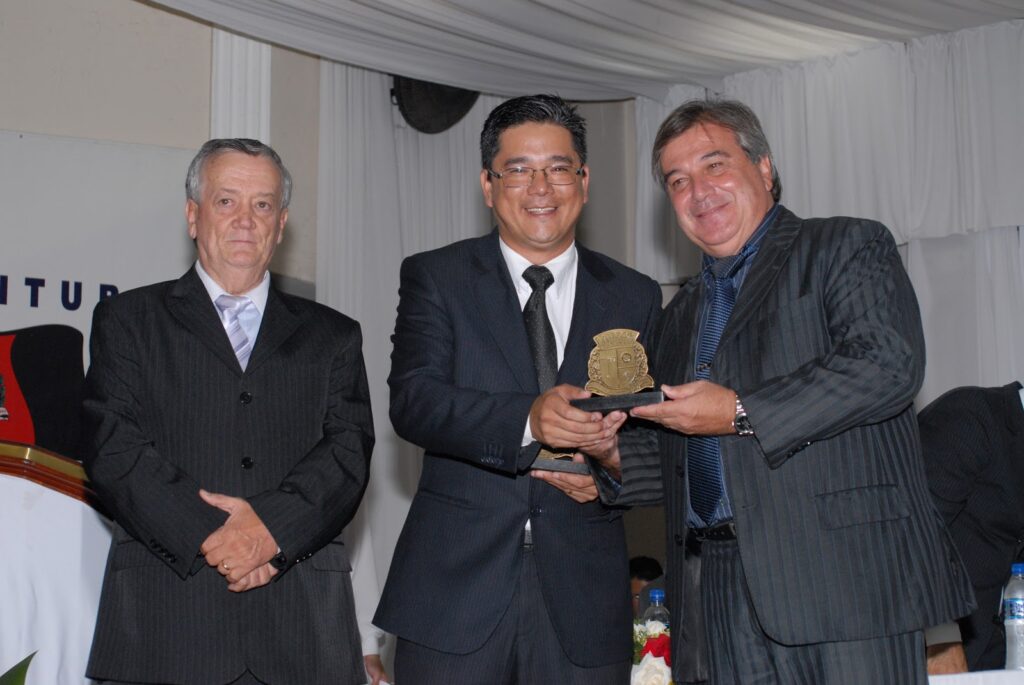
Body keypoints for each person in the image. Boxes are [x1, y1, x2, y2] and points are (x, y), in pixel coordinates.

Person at [599, 99, 975, 684]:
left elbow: (887, 365)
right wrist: (608, 455)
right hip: (717, 593)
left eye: (714, 165)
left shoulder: (846, 246)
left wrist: (739, 410)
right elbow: (683, 454)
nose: (699, 192)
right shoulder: (677, 317)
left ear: (764, 167)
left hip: (846, 586)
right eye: (678, 181)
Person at [373, 94, 662, 684]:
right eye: (519, 170)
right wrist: (529, 419)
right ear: (488, 184)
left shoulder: (635, 294)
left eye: (558, 168)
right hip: (453, 595)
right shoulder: (438, 276)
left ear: (584, 181)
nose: (541, 188)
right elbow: (415, 401)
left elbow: (658, 438)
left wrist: (612, 462)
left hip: (585, 600)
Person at [82, 138, 374, 685]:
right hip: (166, 627)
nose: (245, 219)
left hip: (301, 631)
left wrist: (270, 533)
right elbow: (113, 449)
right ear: (193, 216)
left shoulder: (334, 335)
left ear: (280, 225)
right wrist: (221, 540)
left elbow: (347, 455)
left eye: (262, 204)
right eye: (226, 201)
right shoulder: (128, 320)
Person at [917, 381, 1024, 671]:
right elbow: (912, 534)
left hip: (996, 661)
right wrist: (940, 639)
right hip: (928, 651)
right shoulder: (972, 416)